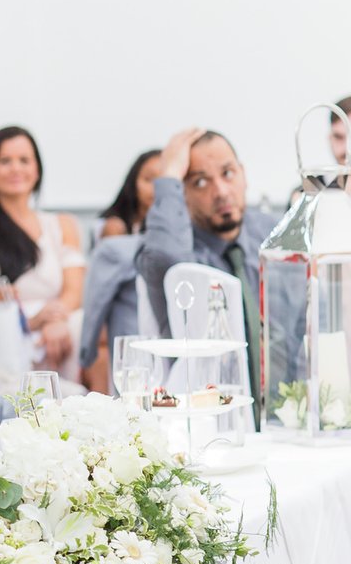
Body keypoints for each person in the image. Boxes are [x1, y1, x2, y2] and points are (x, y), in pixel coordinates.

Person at [137, 128, 303, 424]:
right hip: (210, 426)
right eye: (200, 182)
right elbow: (166, 260)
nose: (222, 191)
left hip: (287, 420)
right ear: (181, 192)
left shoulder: (275, 235)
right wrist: (170, 176)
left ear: (243, 174)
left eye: (228, 173)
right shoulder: (177, 250)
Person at [0, 126, 86, 380]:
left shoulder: (62, 224)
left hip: (59, 323)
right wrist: (30, 321)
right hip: (5, 332)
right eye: (5, 161)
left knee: (83, 325)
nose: (16, 169)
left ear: (37, 169)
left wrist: (55, 319)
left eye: (24, 160)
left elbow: (73, 291)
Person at [99, 150, 163, 238]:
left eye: (164, 180)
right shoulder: (112, 226)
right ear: (133, 182)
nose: (156, 187)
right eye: (149, 179)